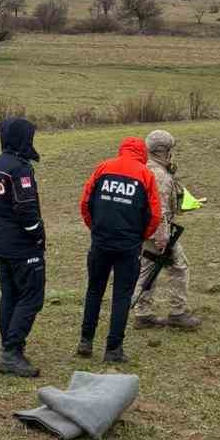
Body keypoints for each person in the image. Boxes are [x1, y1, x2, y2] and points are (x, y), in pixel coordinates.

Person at [77, 137, 161, 364]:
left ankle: (86, 340)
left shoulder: (103, 167)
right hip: (128, 246)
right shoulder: (145, 175)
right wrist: (141, 236)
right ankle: (113, 349)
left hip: (100, 242)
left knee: (94, 290)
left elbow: (85, 203)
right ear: (142, 153)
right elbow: (154, 215)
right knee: (122, 296)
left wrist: (94, 228)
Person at [0, 116, 46, 377]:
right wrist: (38, 235)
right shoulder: (20, 169)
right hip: (22, 245)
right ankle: (11, 352)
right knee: (31, 297)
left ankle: (10, 347)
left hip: (1, 239)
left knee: (9, 295)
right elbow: (26, 208)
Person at [133, 129, 199, 331]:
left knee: (146, 269)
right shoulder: (159, 175)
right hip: (158, 231)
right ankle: (178, 313)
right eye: (170, 150)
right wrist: (162, 237)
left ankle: (142, 314)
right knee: (179, 267)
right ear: (163, 151)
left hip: (146, 230)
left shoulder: (147, 168)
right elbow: (159, 209)